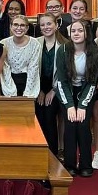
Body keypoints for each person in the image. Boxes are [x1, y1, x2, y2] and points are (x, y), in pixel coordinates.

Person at [55, 20, 98, 177]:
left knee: (82, 125)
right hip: (66, 91)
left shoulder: (94, 51)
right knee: (70, 125)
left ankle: (86, 164)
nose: (76, 33)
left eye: (79, 31)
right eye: (73, 31)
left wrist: (82, 106)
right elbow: (61, 81)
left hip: (85, 91)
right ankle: (70, 164)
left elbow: (92, 82)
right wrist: (69, 105)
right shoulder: (62, 51)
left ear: (86, 33)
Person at [35, 13, 69, 156]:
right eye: (42, 25)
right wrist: (40, 91)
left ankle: (52, 155)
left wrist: (53, 91)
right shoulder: (35, 42)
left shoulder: (66, 44)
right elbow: (32, 69)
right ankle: (39, 154)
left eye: (49, 24)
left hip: (57, 88)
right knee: (39, 119)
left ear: (56, 25)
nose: (46, 27)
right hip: (38, 88)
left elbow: (65, 72)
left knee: (50, 118)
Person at [0, 15, 42, 97]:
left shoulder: (35, 44)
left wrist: (28, 94)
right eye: (15, 25)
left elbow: (33, 68)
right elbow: (5, 68)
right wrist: (11, 92)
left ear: (27, 28)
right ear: (11, 27)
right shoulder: (3, 43)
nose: (19, 28)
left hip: (28, 81)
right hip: (8, 81)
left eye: (22, 25)